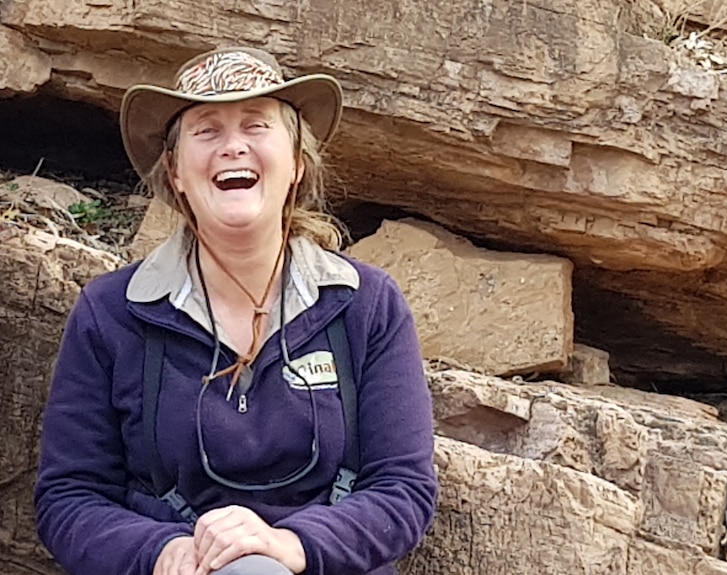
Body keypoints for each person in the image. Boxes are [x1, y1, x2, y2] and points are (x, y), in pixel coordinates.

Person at [34, 46, 437, 575]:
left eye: (256, 125)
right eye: (206, 130)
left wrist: (290, 545)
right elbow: (69, 497)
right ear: (175, 172)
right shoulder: (111, 312)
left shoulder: (366, 305)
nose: (233, 146)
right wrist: (161, 552)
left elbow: (402, 488)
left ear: (297, 163)